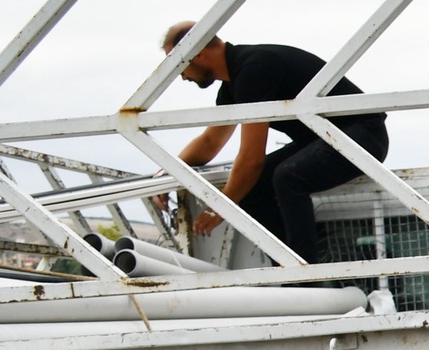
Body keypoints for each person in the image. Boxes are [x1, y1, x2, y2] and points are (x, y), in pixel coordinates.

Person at [161, 24, 389, 264]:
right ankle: (288, 265)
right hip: (326, 139)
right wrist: (164, 174)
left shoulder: (255, 68)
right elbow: (209, 142)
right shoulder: (234, 84)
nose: (182, 76)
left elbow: (251, 159)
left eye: (179, 65)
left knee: (287, 176)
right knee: (252, 188)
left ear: (198, 53)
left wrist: (217, 209)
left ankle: (305, 275)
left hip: (363, 135)